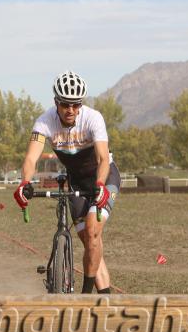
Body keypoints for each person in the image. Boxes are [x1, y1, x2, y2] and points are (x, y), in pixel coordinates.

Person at [14, 70, 121, 294]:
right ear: (56, 103)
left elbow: (102, 158)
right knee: (89, 239)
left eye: (75, 105)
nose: (70, 110)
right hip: (77, 182)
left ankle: (86, 295)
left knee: (92, 231)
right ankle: (105, 294)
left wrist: (100, 185)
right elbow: (31, 157)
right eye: (65, 105)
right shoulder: (44, 122)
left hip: (103, 176)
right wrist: (25, 182)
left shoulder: (93, 118)